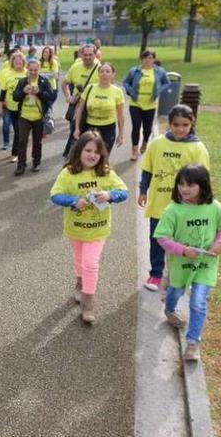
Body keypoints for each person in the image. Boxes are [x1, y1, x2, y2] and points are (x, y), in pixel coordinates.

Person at [49, 131, 128, 322]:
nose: (92, 155)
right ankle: (79, 283)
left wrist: (110, 196)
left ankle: (89, 301)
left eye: (97, 152)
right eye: (88, 150)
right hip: (75, 228)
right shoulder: (67, 173)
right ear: (79, 151)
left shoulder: (107, 173)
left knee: (91, 263)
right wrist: (73, 201)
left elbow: (123, 191)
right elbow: (55, 195)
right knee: (79, 260)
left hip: (98, 230)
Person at [154, 165, 221, 361]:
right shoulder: (173, 210)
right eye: (180, 184)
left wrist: (220, 244)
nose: (184, 189)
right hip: (181, 265)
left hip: (206, 265)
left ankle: (193, 343)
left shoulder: (215, 207)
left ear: (203, 185)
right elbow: (162, 237)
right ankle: (170, 309)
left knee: (198, 303)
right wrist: (182, 250)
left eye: (190, 184)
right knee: (175, 292)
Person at [138, 105, 210, 292]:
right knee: (157, 240)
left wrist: (201, 202)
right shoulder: (157, 143)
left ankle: (179, 275)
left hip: (184, 207)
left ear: (191, 123)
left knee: (181, 243)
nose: (180, 129)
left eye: (185, 125)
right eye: (176, 124)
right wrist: (143, 190)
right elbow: (147, 168)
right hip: (160, 204)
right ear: (169, 123)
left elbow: (203, 178)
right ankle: (155, 274)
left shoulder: (197, 148)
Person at [9, 59, 56, 175]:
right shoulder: (22, 81)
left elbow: (51, 96)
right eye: (31, 70)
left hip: (39, 117)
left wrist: (39, 92)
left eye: (35, 70)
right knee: (22, 140)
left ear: (39, 70)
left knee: (37, 141)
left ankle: (36, 162)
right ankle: (21, 165)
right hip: (24, 116)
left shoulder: (43, 81)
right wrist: (23, 92)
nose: (33, 72)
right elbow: (15, 97)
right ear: (27, 69)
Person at [122, 49, 171, 160]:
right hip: (136, 103)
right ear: (142, 59)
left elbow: (167, 82)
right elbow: (125, 82)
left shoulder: (159, 71)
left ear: (154, 59)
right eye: (145, 58)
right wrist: (130, 91)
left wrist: (158, 91)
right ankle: (134, 150)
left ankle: (144, 142)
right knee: (136, 126)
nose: (148, 60)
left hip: (150, 104)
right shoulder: (134, 71)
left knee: (147, 128)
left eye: (150, 58)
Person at [73, 62, 126, 153]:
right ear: (98, 74)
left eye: (108, 71)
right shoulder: (90, 88)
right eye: (102, 71)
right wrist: (77, 128)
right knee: (89, 154)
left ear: (113, 74)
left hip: (108, 128)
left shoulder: (117, 92)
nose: (104, 74)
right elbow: (80, 109)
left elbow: (120, 115)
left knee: (104, 155)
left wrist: (121, 134)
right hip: (90, 127)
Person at [62, 44, 101, 158]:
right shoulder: (75, 67)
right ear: (81, 55)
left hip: (92, 108)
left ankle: (80, 157)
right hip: (77, 106)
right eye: (85, 54)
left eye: (90, 54)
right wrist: (68, 97)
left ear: (95, 55)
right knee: (75, 133)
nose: (87, 57)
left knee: (89, 135)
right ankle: (70, 158)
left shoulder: (100, 69)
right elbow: (64, 83)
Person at [0, 52, 27, 160]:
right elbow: (2, 92)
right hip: (8, 106)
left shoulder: (27, 73)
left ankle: (15, 153)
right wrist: (0, 107)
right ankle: (6, 142)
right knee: (6, 125)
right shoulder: (6, 73)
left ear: (23, 62)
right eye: (15, 60)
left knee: (19, 131)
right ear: (12, 62)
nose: (18, 62)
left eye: (20, 60)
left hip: (23, 107)